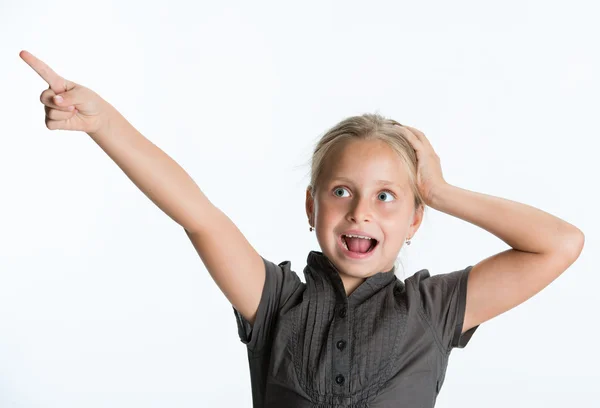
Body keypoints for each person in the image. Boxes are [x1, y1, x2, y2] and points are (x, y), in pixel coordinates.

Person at [20, 49, 585, 408]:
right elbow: (197, 214)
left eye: (387, 197)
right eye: (343, 192)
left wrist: (441, 191)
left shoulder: (433, 311)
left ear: (415, 219)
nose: (362, 211)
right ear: (312, 207)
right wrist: (105, 124)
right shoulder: (273, 302)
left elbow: (561, 244)